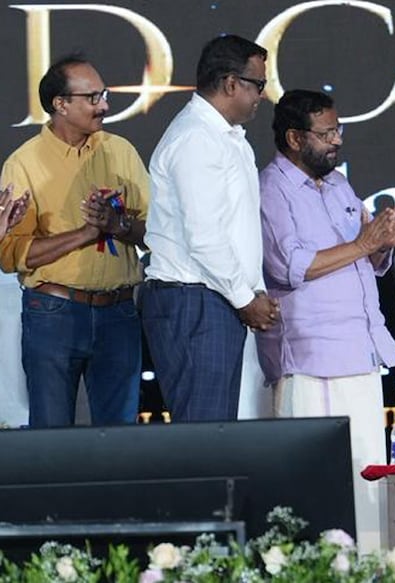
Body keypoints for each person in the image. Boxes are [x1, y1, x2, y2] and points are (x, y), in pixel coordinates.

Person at [258, 89, 395, 550]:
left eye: (339, 130)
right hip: (313, 358)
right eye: (326, 133)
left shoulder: (338, 186)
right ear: (294, 138)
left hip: (361, 350)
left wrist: (384, 242)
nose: (337, 141)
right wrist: (365, 244)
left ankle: (369, 567)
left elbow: (364, 259)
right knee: (318, 485)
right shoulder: (272, 189)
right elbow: (289, 266)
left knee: (367, 478)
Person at [0, 55, 150, 428]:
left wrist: (117, 224)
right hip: (53, 312)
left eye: (104, 95)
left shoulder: (120, 151)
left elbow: (155, 231)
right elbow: (10, 255)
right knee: (51, 435)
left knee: (120, 438)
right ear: (60, 104)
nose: (104, 106)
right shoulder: (24, 164)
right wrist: (85, 233)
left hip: (119, 312)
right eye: (92, 97)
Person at [144, 35, 277, 422]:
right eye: (258, 84)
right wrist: (246, 299)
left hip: (214, 298)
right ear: (231, 83)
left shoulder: (227, 137)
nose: (262, 95)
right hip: (194, 302)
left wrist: (253, 292)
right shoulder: (197, 139)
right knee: (204, 432)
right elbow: (204, 238)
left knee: (216, 431)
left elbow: (238, 228)